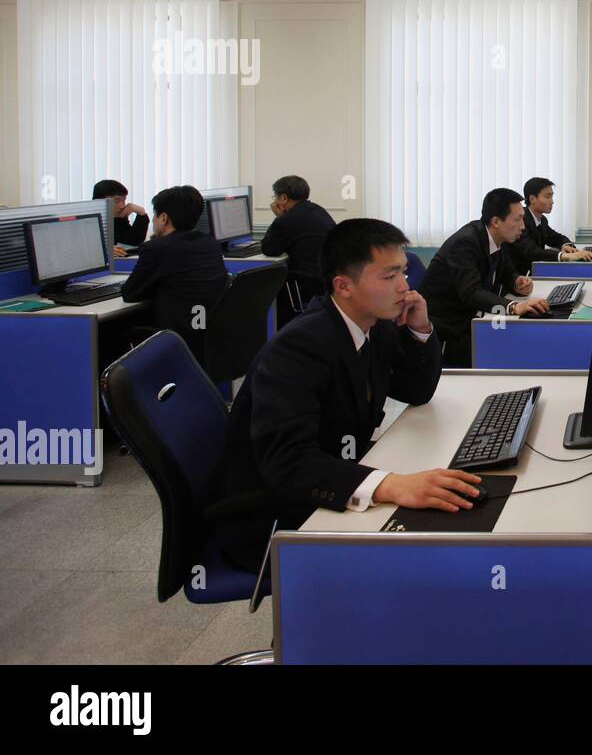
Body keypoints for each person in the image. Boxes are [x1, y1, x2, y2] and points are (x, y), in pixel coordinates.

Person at [216, 218, 479, 572]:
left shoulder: (374, 325)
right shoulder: (299, 348)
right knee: (439, 548)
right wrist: (390, 485)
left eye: (403, 272)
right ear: (343, 286)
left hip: (333, 472)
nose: (405, 287)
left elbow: (415, 391)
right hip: (275, 516)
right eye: (389, 277)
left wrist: (420, 330)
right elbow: (288, 463)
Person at [418, 188, 550, 367]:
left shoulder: (497, 238)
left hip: (476, 320)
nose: (523, 226)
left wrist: (516, 282)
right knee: (510, 353)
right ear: (496, 221)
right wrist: (513, 307)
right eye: (518, 219)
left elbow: (506, 272)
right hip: (449, 330)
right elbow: (471, 292)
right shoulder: (465, 243)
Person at [118, 185, 229, 361]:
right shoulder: (209, 243)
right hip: (204, 329)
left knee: (111, 331)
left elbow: (130, 294)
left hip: (177, 333)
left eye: (154, 215)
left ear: (163, 218)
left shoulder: (157, 248)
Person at [261, 175, 336, 324]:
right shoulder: (318, 210)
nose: (274, 201)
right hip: (326, 282)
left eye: (275, 197)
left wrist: (279, 217)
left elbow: (269, 249)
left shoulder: (287, 220)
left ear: (283, 198)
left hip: (304, 287)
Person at [509, 177, 592, 271]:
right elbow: (531, 251)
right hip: (519, 277)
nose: (552, 201)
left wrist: (566, 246)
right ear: (532, 199)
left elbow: (555, 237)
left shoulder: (542, 220)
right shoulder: (521, 220)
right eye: (547, 196)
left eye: (552, 196)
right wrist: (565, 256)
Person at [93, 179, 149, 257]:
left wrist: (141, 213)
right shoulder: (88, 221)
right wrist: (102, 250)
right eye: (117, 201)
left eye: (124, 200)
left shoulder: (118, 218)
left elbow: (134, 241)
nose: (122, 206)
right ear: (99, 201)